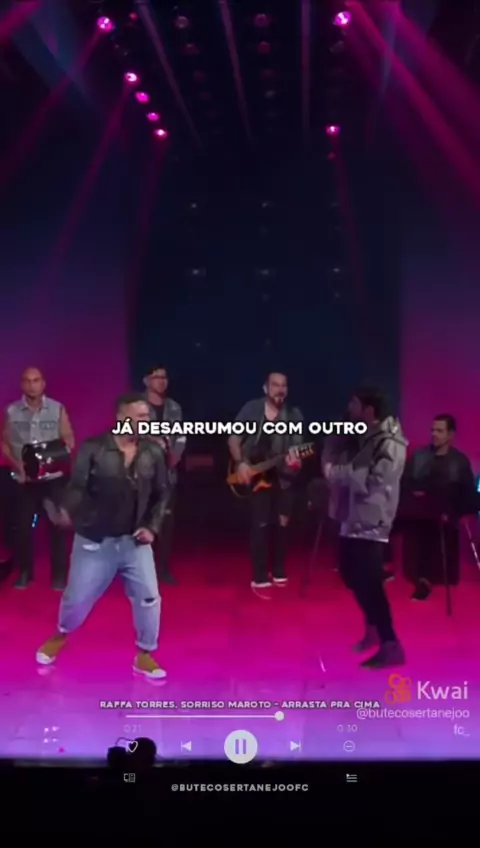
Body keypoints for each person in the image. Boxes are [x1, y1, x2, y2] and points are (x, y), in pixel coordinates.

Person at [35, 393, 169, 679]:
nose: (147, 421)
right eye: (140, 416)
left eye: (148, 416)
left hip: (135, 541)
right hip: (95, 541)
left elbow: (162, 494)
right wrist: (68, 510)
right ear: (121, 418)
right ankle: (60, 635)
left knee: (149, 597)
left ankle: (145, 654)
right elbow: (77, 487)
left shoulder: (153, 452)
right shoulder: (94, 448)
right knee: (77, 598)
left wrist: (152, 527)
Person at [323, 387, 407, 669]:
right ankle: (373, 630)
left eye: (355, 403)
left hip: (371, 519)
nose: (350, 407)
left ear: (369, 409)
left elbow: (375, 480)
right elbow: (338, 453)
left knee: (370, 582)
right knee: (350, 574)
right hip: (352, 516)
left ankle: (390, 644)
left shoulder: (390, 442)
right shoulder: (362, 433)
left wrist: (337, 473)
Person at [228, 372, 303, 598]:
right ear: (265, 388)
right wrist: (241, 463)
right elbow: (233, 438)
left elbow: (296, 449)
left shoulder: (294, 415)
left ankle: (278, 567)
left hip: (283, 476)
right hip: (255, 474)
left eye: (283, 385)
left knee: (282, 523)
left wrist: (295, 461)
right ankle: (259, 574)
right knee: (260, 523)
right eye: (275, 385)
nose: (279, 389)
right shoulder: (252, 409)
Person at [1, 367, 75, 589]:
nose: (32, 385)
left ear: (43, 384)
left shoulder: (57, 408)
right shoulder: (12, 411)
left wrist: (54, 459)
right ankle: (25, 573)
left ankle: (59, 576)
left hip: (52, 479)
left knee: (57, 528)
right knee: (22, 528)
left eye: (36, 380)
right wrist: (18, 466)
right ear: (22, 384)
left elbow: (68, 438)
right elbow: (4, 443)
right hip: (24, 480)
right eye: (27, 381)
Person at [401, 414, 476, 601]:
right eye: (433, 430)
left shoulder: (460, 461)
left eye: (440, 431)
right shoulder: (419, 457)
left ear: (450, 434)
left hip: (447, 516)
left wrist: (457, 510)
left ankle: (433, 577)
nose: (434, 434)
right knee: (421, 527)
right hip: (420, 514)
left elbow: (467, 494)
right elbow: (406, 483)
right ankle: (423, 581)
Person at [144, 365, 185, 584]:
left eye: (164, 377)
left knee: (166, 520)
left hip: (168, 474)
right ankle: (142, 569)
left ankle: (163, 568)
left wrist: (174, 456)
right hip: (142, 473)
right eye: (156, 377)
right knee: (143, 520)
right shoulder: (135, 405)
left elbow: (180, 437)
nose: (161, 381)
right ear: (146, 381)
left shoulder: (174, 407)